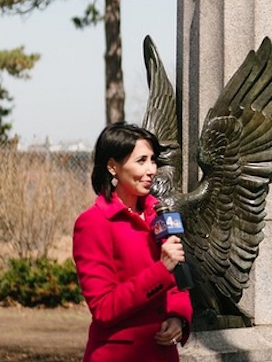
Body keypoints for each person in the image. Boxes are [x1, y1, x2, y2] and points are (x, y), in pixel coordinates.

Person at [73, 122, 193, 362]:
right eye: (141, 161)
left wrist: (178, 318)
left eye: (152, 160)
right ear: (112, 167)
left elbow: (178, 281)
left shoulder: (159, 215)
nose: (151, 169)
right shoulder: (93, 223)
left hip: (162, 354)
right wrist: (161, 270)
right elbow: (104, 308)